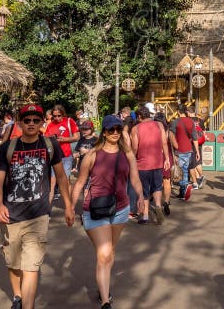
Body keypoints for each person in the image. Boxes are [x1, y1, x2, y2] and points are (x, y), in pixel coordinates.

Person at [0, 104, 74, 309]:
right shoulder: (7, 148)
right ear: (19, 123)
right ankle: (18, 296)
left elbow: (62, 177)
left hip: (39, 214)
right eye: (27, 120)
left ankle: (28, 306)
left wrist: (68, 206)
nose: (31, 123)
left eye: (35, 120)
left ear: (41, 123)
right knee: (13, 263)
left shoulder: (50, 145)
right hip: (11, 214)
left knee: (31, 266)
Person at [71, 114, 144, 309]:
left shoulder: (127, 153)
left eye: (118, 129)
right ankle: (105, 302)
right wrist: (70, 207)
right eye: (111, 129)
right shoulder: (92, 155)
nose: (115, 133)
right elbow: (79, 183)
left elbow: (135, 178)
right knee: (104, 253)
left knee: (110, 252)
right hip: (95, 209)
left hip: (120, 209)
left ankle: (103, 287)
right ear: (104, 131)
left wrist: (141, 197)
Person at [131, 106, 170, 224]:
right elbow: (164, 143)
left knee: (144, 190)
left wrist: (132, 159)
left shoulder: (135, 128)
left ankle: (146, 215)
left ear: (139, 116)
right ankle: (158, 205)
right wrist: (167, 159)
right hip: (157, 162)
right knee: (157, 187)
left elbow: (135, 147)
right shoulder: (159, 125)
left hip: (142, 164)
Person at [43, 105, 80, 178]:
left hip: (66, 155)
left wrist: (64, 139)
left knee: (66, 179)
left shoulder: (69, 121)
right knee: (53, 179)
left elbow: (77, 137)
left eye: (59, 116)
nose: (57, 118)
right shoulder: (50, 125)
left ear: (63, 114)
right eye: (54, 116)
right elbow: (46, 139)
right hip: (54, 155)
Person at [171, 105, 198, 201]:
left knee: (181, 172)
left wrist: (175, 146)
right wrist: (197, 151)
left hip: (180, 150)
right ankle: (184, 191)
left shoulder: (175, 122)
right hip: (189, 149)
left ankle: (184, 190)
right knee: (185, 170)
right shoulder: (191, 121)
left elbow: (171, 135)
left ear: (178, 111)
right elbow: (195, 138)